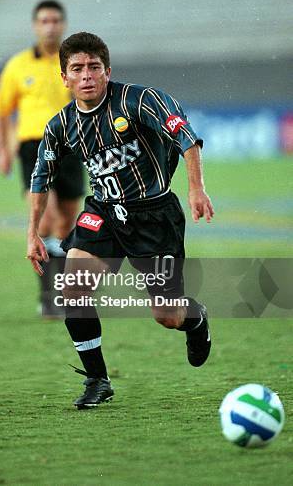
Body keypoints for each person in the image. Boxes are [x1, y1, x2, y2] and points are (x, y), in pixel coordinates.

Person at [27, 32, 214, 409]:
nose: (86, 76)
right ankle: (98, 380)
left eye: (93, 67)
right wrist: (32, 233)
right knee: (72, 290)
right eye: (76, 69)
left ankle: (194, 319)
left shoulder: (141, 100)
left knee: (166, 315)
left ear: (107, 71)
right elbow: (40, 177)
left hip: (154, 217)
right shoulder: (61, 125)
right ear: (64, 77)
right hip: (104, 214)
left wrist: (196, 189)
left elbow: (187, 138)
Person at [0, 0, 84, 318]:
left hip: (71, 145)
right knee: (46, 218)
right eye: (44, 21)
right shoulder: (18, 65)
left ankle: (61, 292)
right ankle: (49, 296)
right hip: (34, 146)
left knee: (67, 224)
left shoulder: (73, 63)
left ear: (64, 25)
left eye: (56, 20)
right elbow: (1, 111)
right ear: (35, 26)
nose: (50, 26)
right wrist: (3, 149)